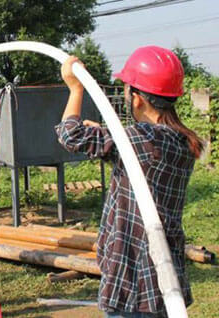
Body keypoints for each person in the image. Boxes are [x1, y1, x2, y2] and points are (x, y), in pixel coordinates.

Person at [55, 46, 203, 318]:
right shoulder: (183, 142)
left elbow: (70, 135)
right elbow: (145, 155)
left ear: (136, 99)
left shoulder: (137, 140)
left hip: (133, 277)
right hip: (166, 273)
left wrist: (75, 89)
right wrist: (106, 134)